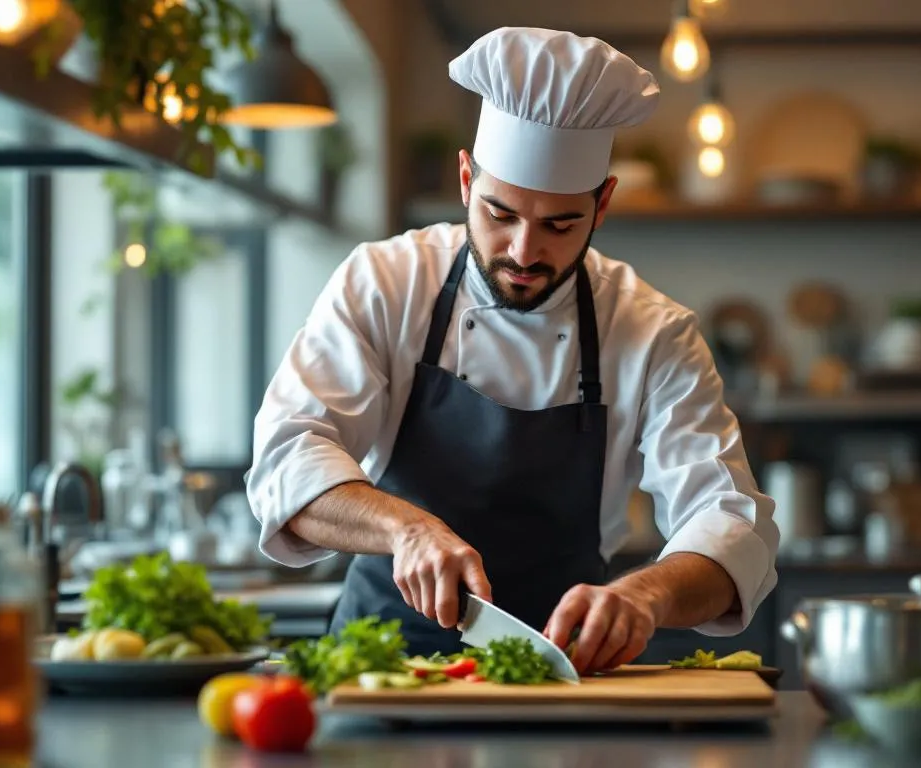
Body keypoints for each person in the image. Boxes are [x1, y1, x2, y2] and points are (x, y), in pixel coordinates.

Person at [246, 26, 779, 674]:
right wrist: (405, 528)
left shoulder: (653, 332)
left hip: (559, 669)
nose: (525, 252)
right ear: (465, 180)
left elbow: (731, 520)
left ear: (602, 205)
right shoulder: (385, 282)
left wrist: (647, 594)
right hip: (380, 668)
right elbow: (288, 456)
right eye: (501, 214)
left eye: (559, 224)